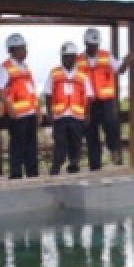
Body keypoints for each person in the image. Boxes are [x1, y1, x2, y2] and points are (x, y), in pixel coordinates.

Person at [76, 28, 131, 170]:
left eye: (96, 45)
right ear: (85, 43)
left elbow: (120, 69)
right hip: (88, 103)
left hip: (106, 100)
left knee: (111, 124)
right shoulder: (79, 60)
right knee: (91, 134)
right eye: (91, 45)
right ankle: (95, 166)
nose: (94, 48)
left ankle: (114, 149)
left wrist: (126, 62)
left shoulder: (106, 56)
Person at [44, 42, 94, 175]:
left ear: (75, 58)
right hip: (60, 115)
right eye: (64, 56)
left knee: (76, 142)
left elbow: (88, 96)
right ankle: (56, 167)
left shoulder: (82, 75)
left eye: (69, 57)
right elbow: (48, 93)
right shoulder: (54, 73)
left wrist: (87, 114)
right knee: (60, 143)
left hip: (76, 116)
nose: (66, 59)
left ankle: (73, 165)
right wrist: (49, 112)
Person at [0, 33, 40, 179]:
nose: (25, 51)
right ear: (13, 50)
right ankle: (16, 174)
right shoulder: (5, 68)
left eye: (25, 48)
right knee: (17, 145)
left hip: (30, 113)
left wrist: (37, 110)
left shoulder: (25, 68)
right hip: (17, 115)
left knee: (31, 146)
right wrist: (10, 107)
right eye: (22, 48)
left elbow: (31, 91)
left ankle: (32, 173)